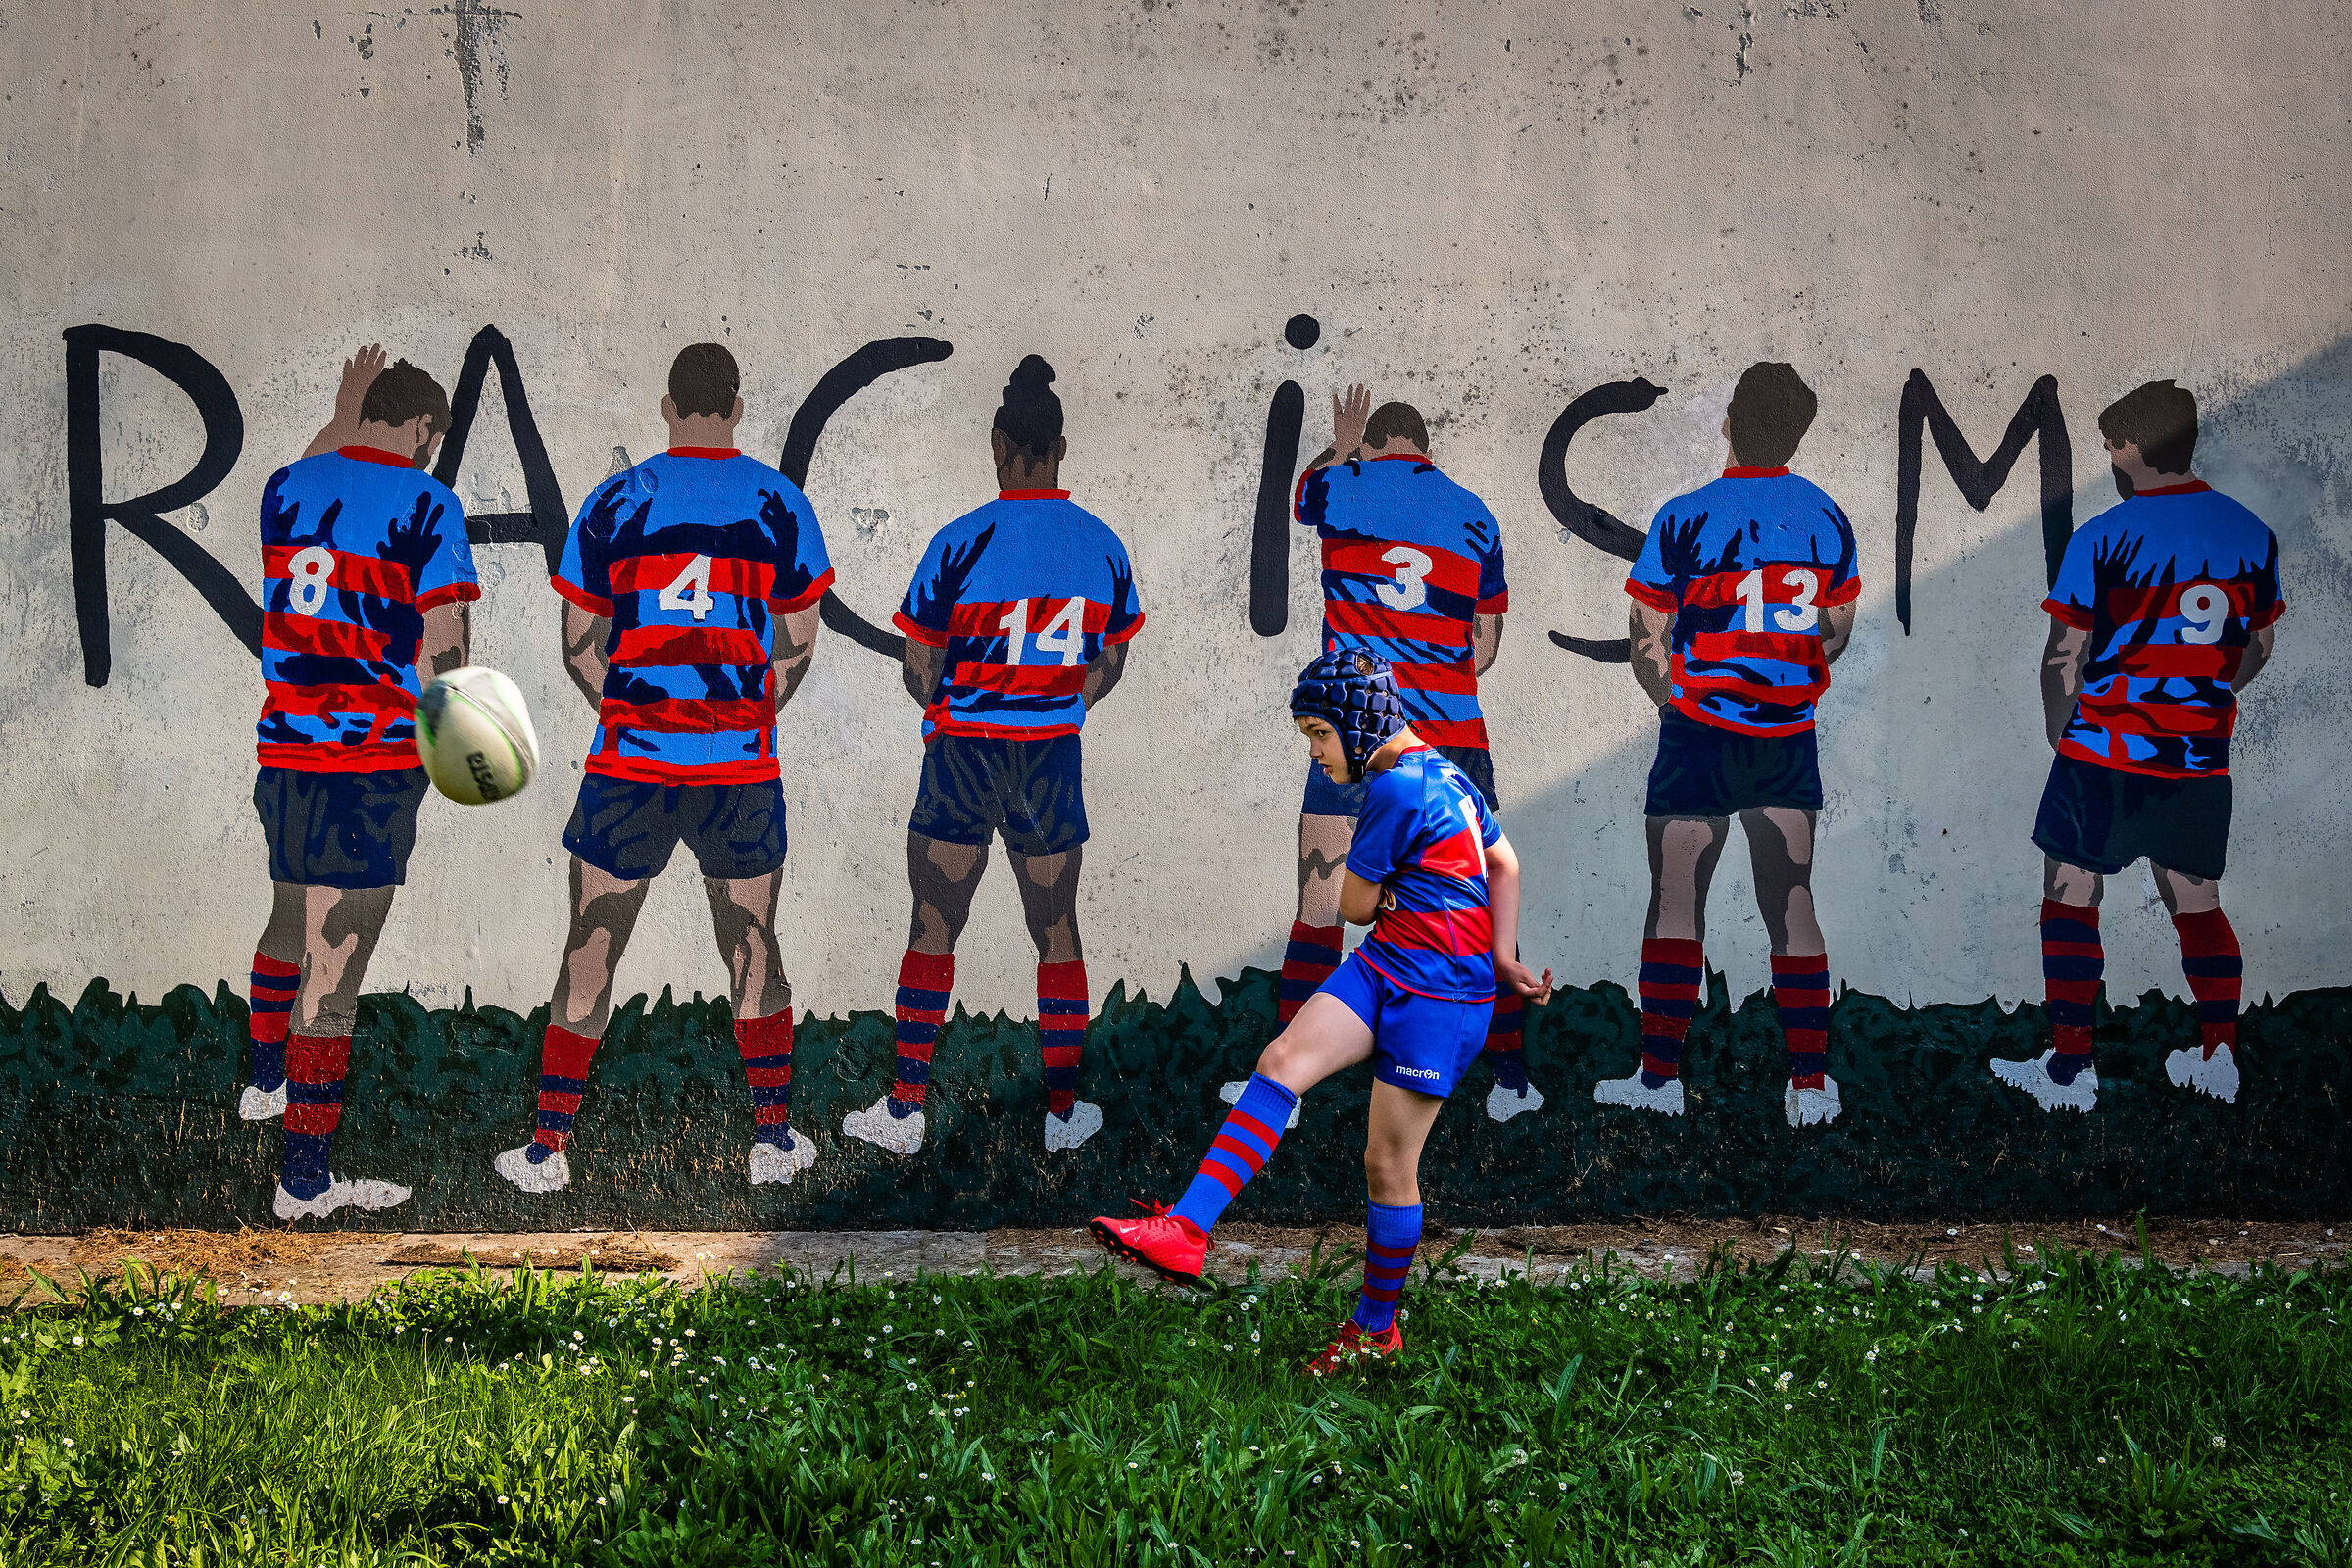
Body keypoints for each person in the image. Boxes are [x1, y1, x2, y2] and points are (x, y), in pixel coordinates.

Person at [1091, 650, 1553, 1375]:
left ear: (1358, 725)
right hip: (1388, 967)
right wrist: (1504, 952)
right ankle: (1185, 1230)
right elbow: (1505, 865)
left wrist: (1463, 947)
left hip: (1440, 994)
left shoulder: (1395, 792)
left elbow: (1354, 905)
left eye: (1318, 733)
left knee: (1388, 1166)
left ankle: (1376, 1331)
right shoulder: (1450, 774)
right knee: (1281, 1063)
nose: (1314, 750)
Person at [493, 342, 831, 1193]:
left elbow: (578, 648)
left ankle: (547, 1151)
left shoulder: (618, 500)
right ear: (739, 406)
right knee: (752, 942)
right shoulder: (779, 505)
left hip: (629, 770)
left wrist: (642, 719)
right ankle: (774, 1142)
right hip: (738, 771)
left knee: (592, 943)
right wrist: (741, 720)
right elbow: (796, 645)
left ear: (667, 406)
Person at [841, 355, 1144, 1155]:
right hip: (1048, 754)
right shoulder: (1101, 546)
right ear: (1063, 447)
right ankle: (1064, 1114)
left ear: (999, 443)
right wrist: (1065, 705)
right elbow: (1109, 663)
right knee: (1057, 930)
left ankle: (905, 1110)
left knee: (935, 921)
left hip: (965, 752)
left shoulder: (959, 542)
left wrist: (956, 712)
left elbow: (918, 666)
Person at [1991, 379, 2282, 1113]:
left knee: (2070, 892)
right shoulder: (2248, 532)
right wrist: (2207, 696)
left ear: (2135, 449)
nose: (2111, 459)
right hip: (2195, 757)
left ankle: (2070, 1071)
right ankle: (2220, 1058)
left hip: (2105, 752)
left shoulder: (2104, 536)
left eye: (2113, 444)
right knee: (2197, 901)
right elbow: (2257, 645)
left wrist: (2066, 731)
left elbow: (2066, 650)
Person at [1591, 362, 1859, 1129]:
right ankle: (1810, 1084)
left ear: (1730, 424)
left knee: (1677, 897)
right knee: (1793, 902)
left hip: (1699, 735)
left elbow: (1646, 639)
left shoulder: (1685, 516)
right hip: (1784, 735)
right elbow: (1835, 632)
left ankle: (1659, 1078)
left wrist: (1679, 702)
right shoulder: (1826, 517)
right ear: (1799, 432)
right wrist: (1785, 678)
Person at [245, 344, 478, 1220]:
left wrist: (344, 407)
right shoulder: (428, 502)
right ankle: (304, 1181)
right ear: (421, 428)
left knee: (285, 918)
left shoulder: (287, 489)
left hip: (286, 749)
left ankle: (265, 1082)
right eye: (429, 435)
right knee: (334, 973)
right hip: (370, 760)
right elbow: (447, 642)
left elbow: (319, 462)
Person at [1276, 385, 1533, 1125]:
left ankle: (1290, 1089)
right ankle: (1511, 1080)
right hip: (1455, 741)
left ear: (1377, 445)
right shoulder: (1475, 515)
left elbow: (1302, 498)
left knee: (1323, 899)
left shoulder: (1343, 483)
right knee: (1475, 908)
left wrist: (1342, 445)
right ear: (1426, 450)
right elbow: (1482, 646)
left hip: (1360, 739)